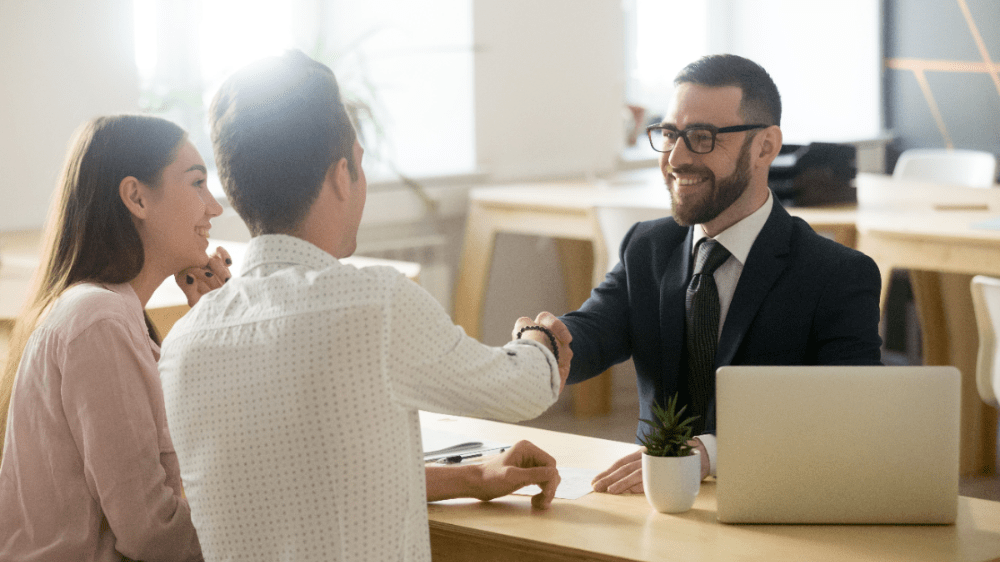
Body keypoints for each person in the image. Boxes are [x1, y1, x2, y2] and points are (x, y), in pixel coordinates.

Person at [157, 49, 573, 562]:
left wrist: (473, 475)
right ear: (341, 173)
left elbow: (304, 481)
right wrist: (541, 340)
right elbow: (524, 390)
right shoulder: (376, 304)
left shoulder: (181, 345)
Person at [534, 54, 882, 494]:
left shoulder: (837, 276)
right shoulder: (648, 246)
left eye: (702, 137)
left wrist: (710, 454)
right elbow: (593, 330)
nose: (675, 158)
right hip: (654, 501)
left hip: (776, 502)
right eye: (669, 134)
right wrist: (543, 343)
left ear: (765, 147)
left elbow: (849, 416)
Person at [0, 114, 233, 561]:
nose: (214, 207)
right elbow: (151, 533)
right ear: (136, 197)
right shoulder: (98, 320)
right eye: (197, 183)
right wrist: (261, 534)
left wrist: (209, 331)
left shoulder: (109, 315)